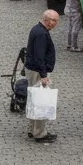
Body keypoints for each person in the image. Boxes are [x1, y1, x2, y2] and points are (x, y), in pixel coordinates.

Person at [24, 10, 59, 143]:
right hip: (38, 72)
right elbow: (39, 57)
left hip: (34, 70)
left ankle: (33, 129)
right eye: (54, 21)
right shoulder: (42, 34)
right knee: (40, 101)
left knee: (34, 100)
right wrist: (44, 75)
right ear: (47, 20)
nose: (55, 24)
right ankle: (39, 132)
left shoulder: (37, 29)